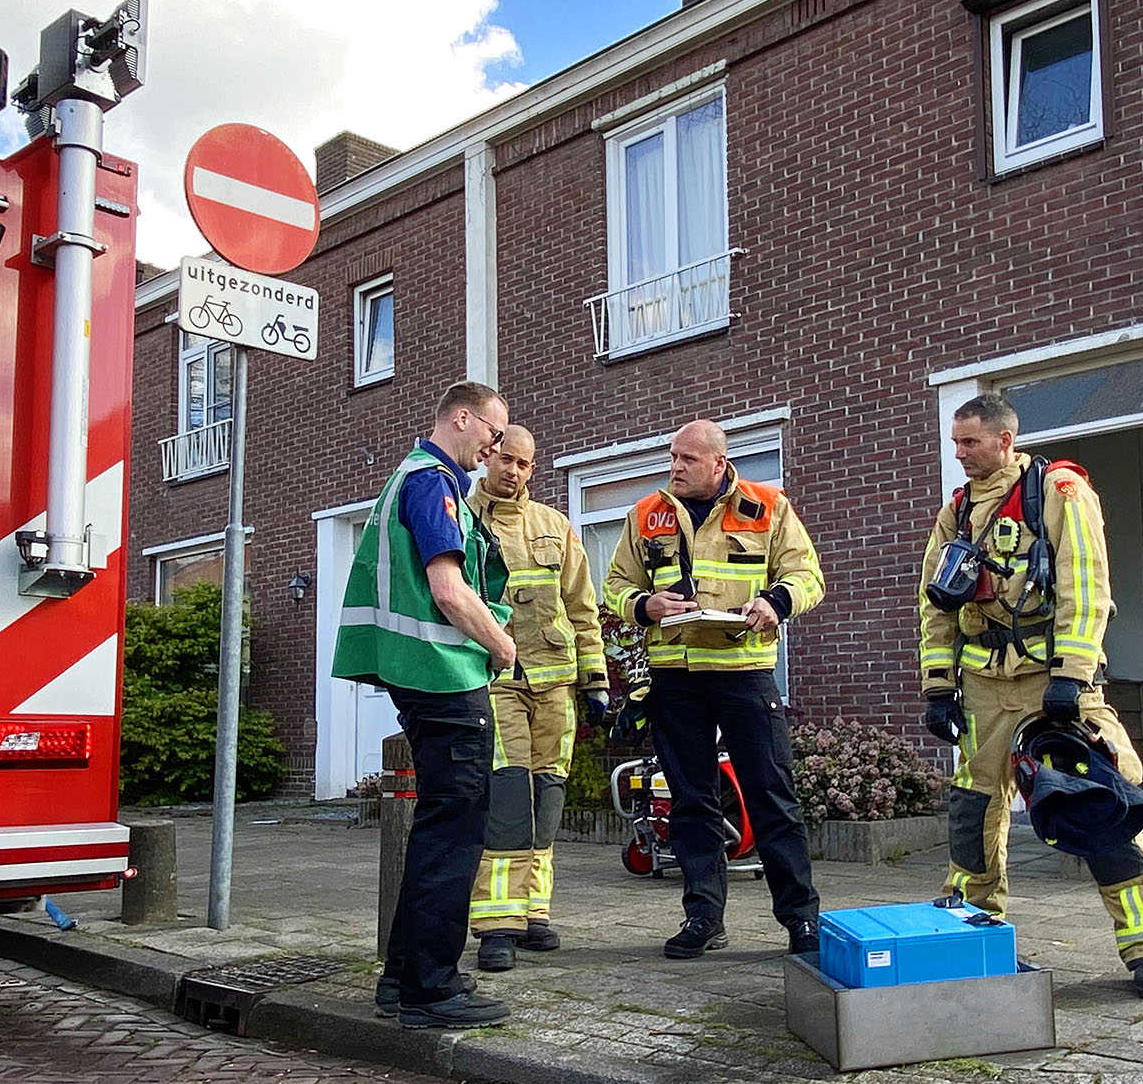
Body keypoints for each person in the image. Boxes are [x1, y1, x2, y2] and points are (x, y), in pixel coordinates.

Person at [917, 391, 1143, 999]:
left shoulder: (1059, 491)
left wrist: (1072, 673)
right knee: (971, 808)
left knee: (1100, 800)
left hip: (1053, 683)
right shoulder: (957, 511)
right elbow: (934, 604)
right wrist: (938, 687)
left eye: (971, 442)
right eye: (956, 442)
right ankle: (972, 925)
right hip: (984, 683)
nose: (960, 454)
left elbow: (1085, 584)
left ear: (1005, 440)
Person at [604, 420, 825, 959]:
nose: (675, 467)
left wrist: (774, 603)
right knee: (690, 801)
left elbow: (808, 576)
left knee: (771, 796)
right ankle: (703, 917)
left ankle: (801, 920)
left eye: (688, 459)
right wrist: (644, 605)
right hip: (673, 677)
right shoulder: (645, 514)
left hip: (745, 673)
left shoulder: (769, 507)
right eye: (672, 456)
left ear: (719, 464)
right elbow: (614, 586)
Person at [333, 381, 516, 1028]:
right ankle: (432, 989)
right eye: (493, 434)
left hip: (420, 676)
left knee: (440, 827)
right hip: (444, 678)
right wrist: (501, 645)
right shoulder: (430, 482)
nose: (495, 448)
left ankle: (403, 977)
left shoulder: (412, 479)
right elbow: (447, 589)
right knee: (454, 832)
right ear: (461, 418)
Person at [465, 425, 609, 971]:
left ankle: (533, 913)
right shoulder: (461, 517)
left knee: (547, 799)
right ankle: (495, 925)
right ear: (488, 457)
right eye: (505, 459)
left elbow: (583, 607)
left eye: (524, 464)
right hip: (495, 682)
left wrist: (595, 681)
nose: (514, 471)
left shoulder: (556, 526)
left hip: (556, 685)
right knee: (506, 799)